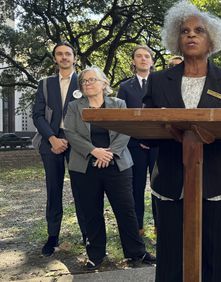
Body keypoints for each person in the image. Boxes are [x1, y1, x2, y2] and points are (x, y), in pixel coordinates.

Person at [142, 1, 221, 281]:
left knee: (218, 260)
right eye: (184, 31)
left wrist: (200, 133)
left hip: (219, 183)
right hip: (171, 182)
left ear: (211, 39)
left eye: (198, 30)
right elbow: (143, 132)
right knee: (171, 261)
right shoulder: (157, 81)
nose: (191, 35)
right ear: (176, 40)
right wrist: (164, 125)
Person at [63, 66, 156, 270]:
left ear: (104, 83)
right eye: (84, 81)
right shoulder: (73, 107)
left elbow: (125, 131)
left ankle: (136, 253)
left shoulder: (118, 104)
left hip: (118, 165)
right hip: (86, 165)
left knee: (126, 210)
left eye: (92, 80)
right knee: (91, 211)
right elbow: (70, 132)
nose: (87, 83)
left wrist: (110, 153)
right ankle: (96, 254)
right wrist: (95, 151)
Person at [31, 42, 86, 256]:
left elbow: (88, 112)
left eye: (68, 54)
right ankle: (52, 236)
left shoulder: (84, 81)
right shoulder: (45, 84)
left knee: (81, 190)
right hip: (51, 143)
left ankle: (87, 235)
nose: (64, 57)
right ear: (55, 58)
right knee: (54, 190)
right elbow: (37, 115)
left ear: (74, 57)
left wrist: (72, 138)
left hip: (77, 143)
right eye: (59, 54)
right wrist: (52, 138)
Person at [117, 45, 158, 237]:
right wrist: (139, 137)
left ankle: (161, 226)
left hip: (159, 144)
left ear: (152, 61)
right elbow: (123, 119)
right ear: (133, 61)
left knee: (159, 186)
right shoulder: (125, 87)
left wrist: (152, 138)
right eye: (139, 56)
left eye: (147, 56)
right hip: (135, 145)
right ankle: (138, 228)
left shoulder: (162, 83)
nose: (143, 59)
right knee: (136, 187)